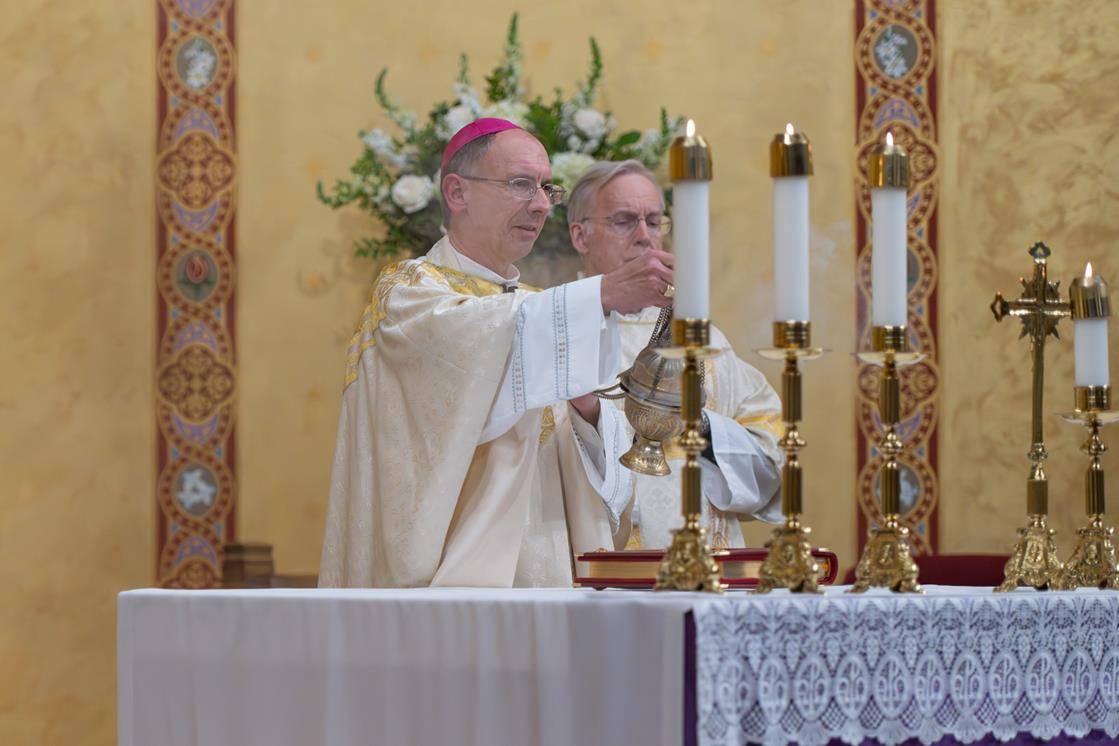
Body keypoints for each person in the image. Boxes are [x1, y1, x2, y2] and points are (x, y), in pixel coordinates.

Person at [319, 120, 674, 587]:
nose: (542, 204)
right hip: (456, 574)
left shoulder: (538, 307)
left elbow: (579, 455)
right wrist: (603, 294)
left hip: (547, 567)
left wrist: (589, 414)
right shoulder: (410, 293)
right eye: (521, 184)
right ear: (457, 192)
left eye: (548, 187)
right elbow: (476, 341)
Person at [567, 160, 784, 549]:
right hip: (594, 567)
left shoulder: (706, 341)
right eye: (623, 220)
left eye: (654, 221)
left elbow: (770, 464)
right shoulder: (556, 327)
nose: (644, 237)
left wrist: (699, 427)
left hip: (705, 571)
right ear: (581, 237)